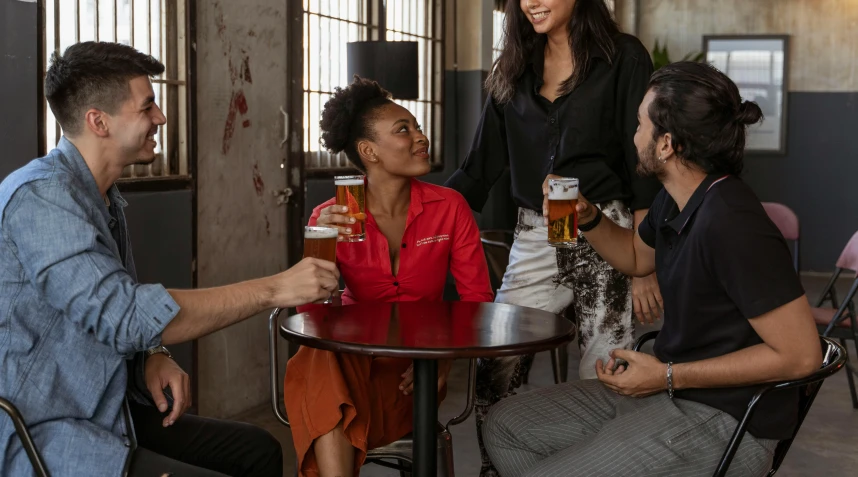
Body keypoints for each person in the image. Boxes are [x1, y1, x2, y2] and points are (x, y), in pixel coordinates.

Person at [0, 41, 340, 477]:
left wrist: (153, 353)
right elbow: (123, 314)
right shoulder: (42, 198)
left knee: (256, 451)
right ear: (98, 121)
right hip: (44, 430)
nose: (160, 117)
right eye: (147, 108)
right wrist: (276, 288)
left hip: (108, 407)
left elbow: (107, 314)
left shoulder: (101, 197)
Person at [481, 62, 823, 477]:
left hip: (728, 420)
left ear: (666, 145)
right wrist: (587, 216)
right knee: (505, 425)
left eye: (641, 124)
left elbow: (802, 356)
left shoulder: (734, 223)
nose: (633, 134)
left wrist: (666, 375)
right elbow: (635, 257)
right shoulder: (676, 197)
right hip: (674, 390)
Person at [444, 1, 663, 473]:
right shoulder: (514, 67)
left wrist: (643, 263)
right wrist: (412, 210)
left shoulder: (623, 57)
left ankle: (592, 467)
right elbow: (479, 168)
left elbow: (643, 164)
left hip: (610, 227)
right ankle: (496, 468)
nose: (531, 1)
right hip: (537, 233)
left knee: (604, 370)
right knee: (497, 362)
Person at [284, 77, 494, 477]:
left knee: (323, 379)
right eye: (404, 130)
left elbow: (477, 301)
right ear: (369, 151)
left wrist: (442, 363)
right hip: (347, 361)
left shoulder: (450, 207)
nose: (421, 137)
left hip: (414, 374)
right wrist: (320, 248)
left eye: (417, 127)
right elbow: (310, 315)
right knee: (321, 359)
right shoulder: (331, 217)